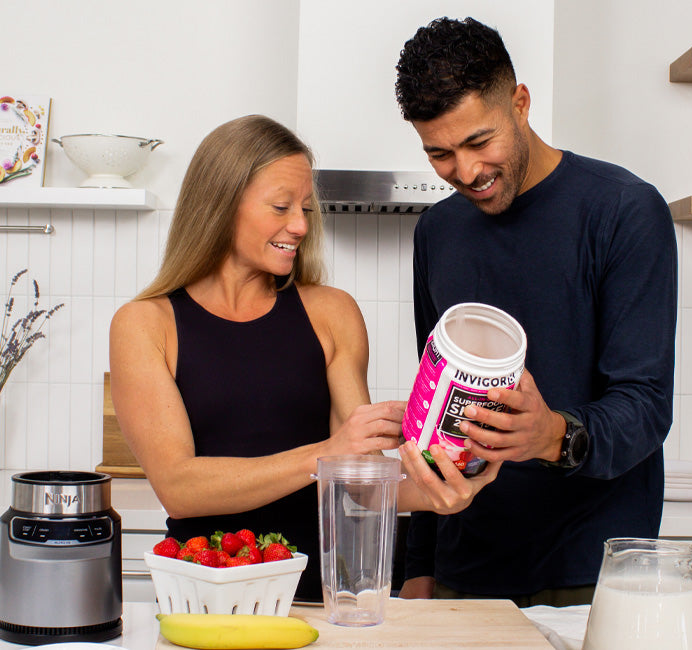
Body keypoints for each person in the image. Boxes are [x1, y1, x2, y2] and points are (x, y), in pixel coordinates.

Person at [108, 114, 500, 602]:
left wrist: (460, 477)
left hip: (319, 599)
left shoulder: (331, 313)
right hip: (207, 599)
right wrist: (326, 453)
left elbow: (362, 482)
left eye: (306, 209)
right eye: (280, 207)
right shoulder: (146, 324)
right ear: (220, 204)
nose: (298, 225)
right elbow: (179, 486)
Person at [394, 17, 677, 607]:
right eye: (440, 153)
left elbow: (646, 406)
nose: (465, 172)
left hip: (594, 571)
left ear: (520, 104)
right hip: (464, 568)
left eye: (478, 142)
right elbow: (431, 404)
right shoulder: (437, 231)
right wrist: (416, 563)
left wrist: (552, 435)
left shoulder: (624, 210)